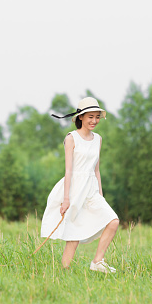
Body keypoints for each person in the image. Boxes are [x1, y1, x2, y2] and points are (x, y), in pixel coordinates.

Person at [41, 97, 119, 273]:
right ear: (81, 117)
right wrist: (66, 199)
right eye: (90, 116)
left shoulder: (98, 139)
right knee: (73, 236)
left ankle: (98, 261)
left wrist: (100, 193)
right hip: (75, 188)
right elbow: (68, 170)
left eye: (97, 117)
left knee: (113, 221)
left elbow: (96, 169)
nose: (94, 121)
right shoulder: (71, 138)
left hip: (91, 188)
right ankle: (63, 273)